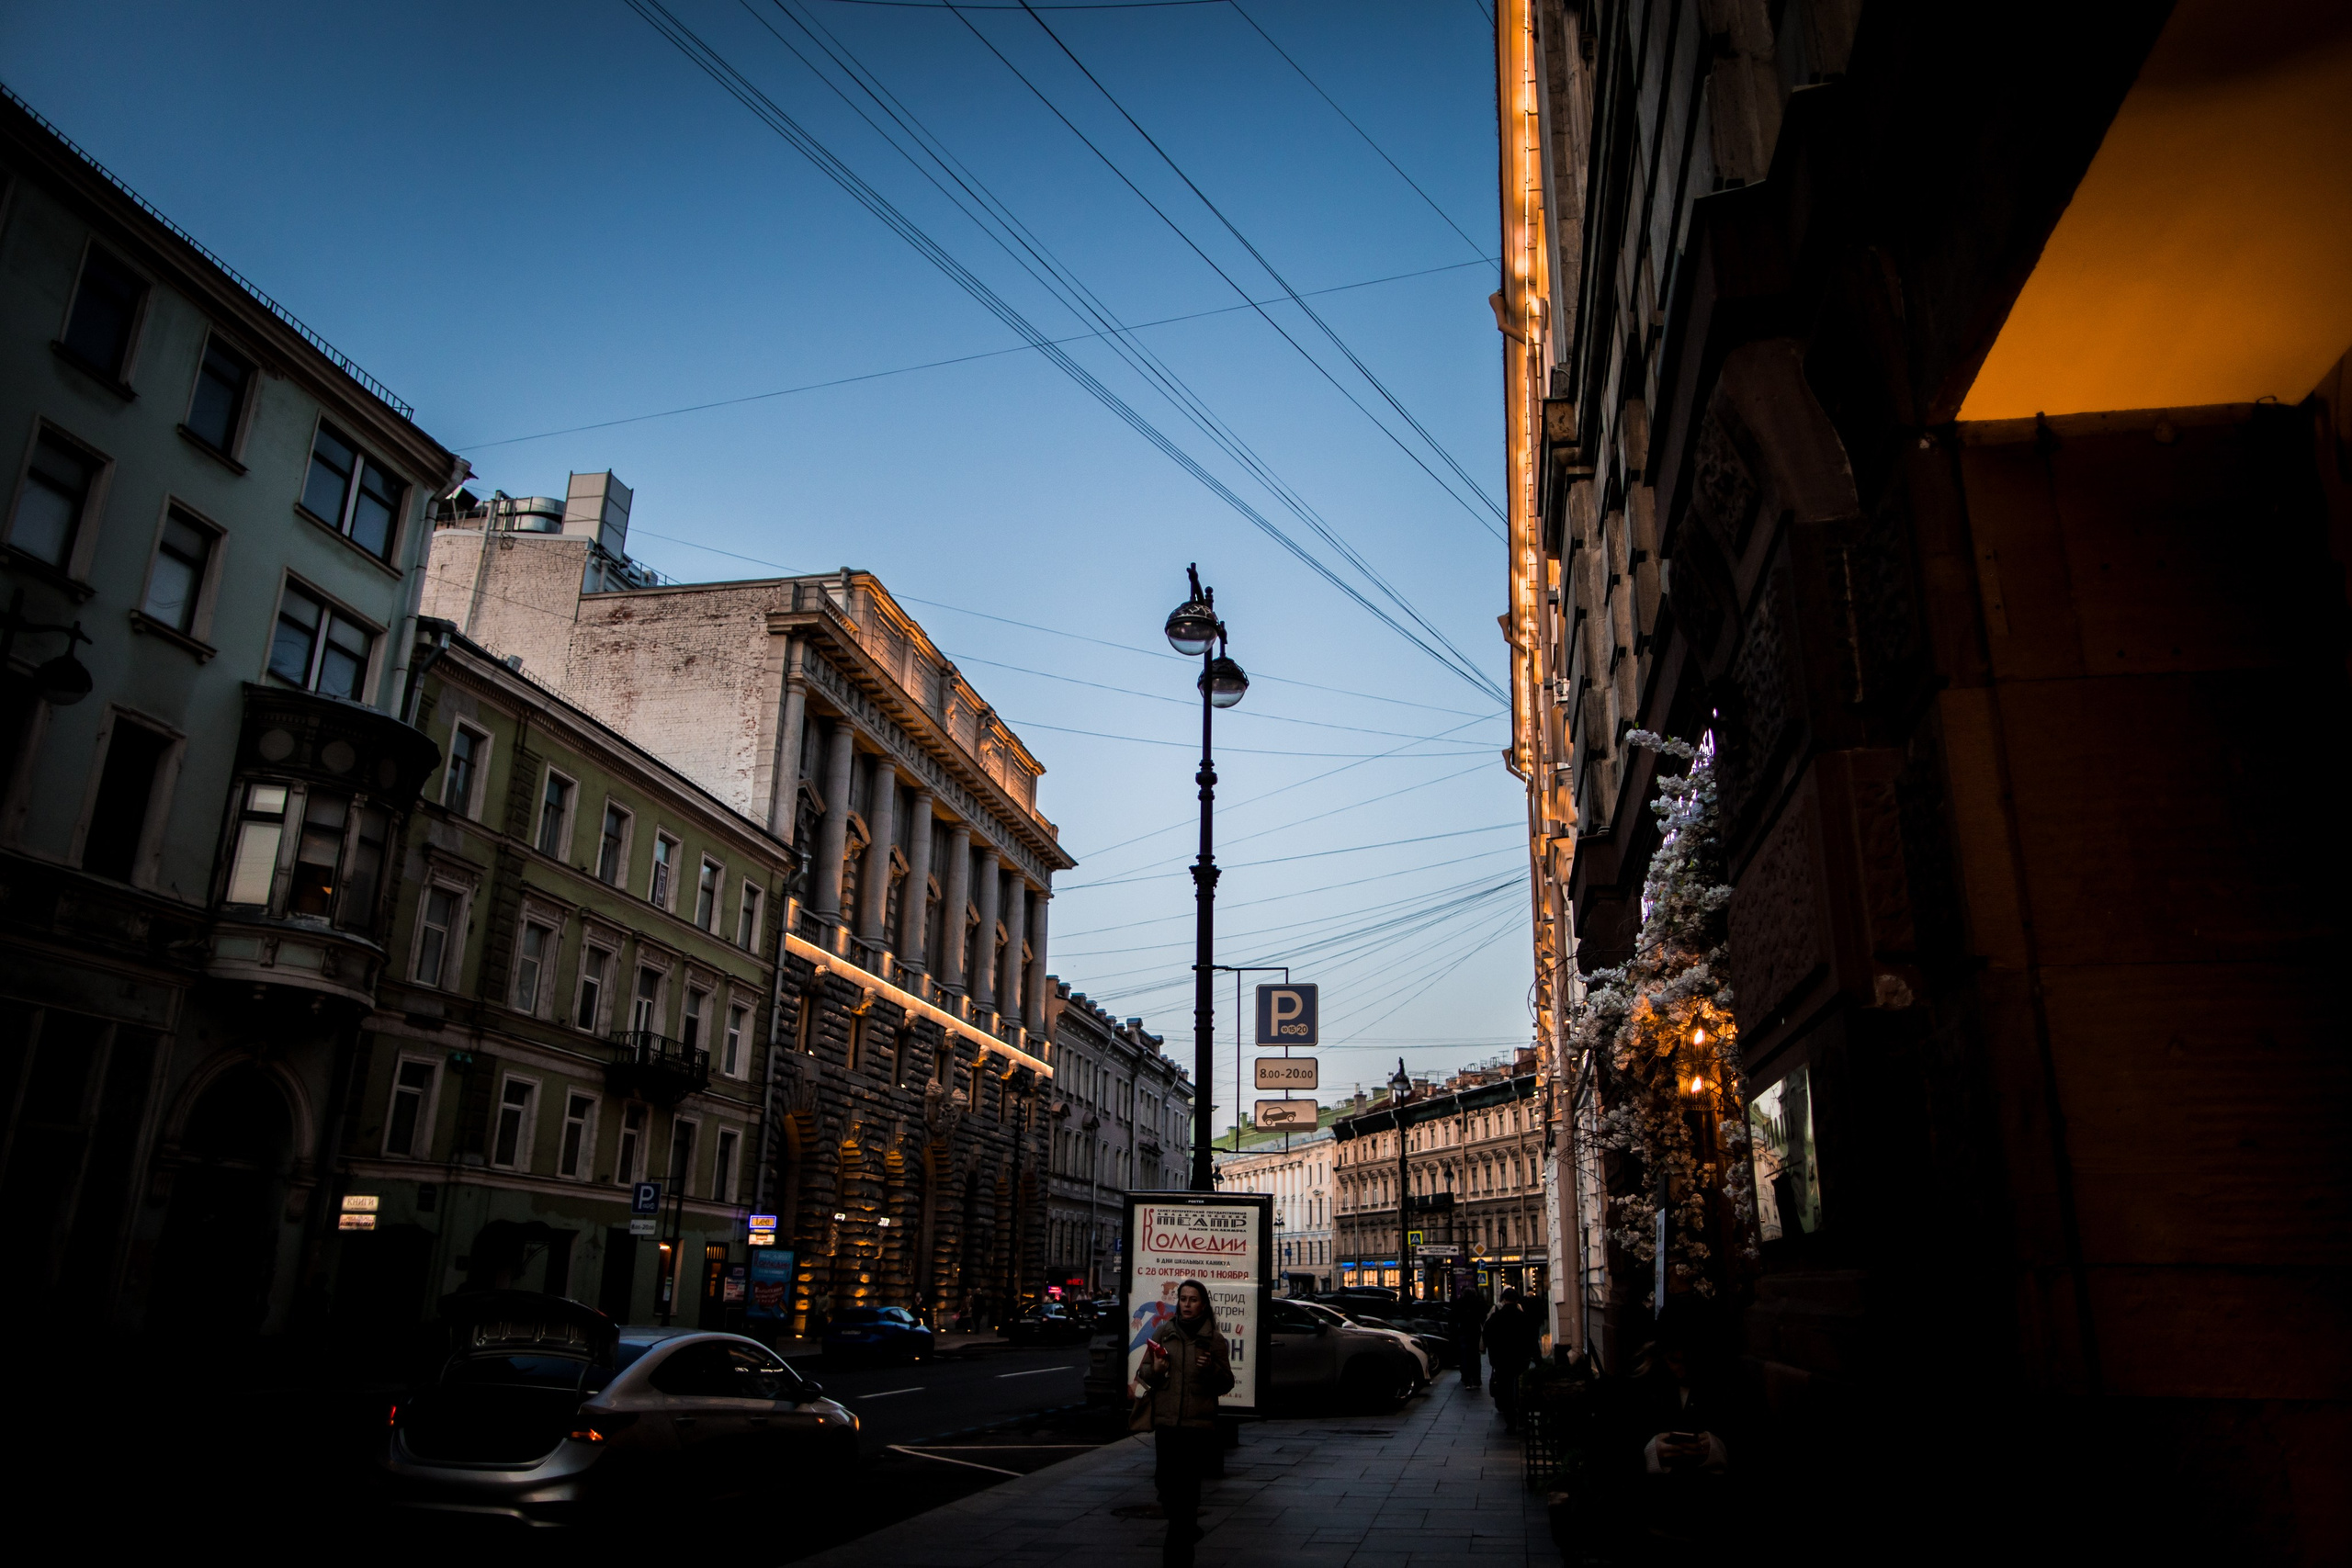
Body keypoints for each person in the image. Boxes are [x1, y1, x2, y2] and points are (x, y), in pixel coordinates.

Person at [1134, 1280, 1234, 1566]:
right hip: (1166, 1423)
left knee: (1187, 1496)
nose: (1187, 1305)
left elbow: (1226, 1382)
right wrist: (1156, 1370)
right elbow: (1144, 1373)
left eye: (1193, 1300)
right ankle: (1188, 1529)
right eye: (1183, 1299)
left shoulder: (1213, 1339)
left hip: (1195, 1427)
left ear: (1203, 1304)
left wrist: (1211, 1369)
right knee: (1165, 1485)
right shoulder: (1165, 1332)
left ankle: (1178, 1555)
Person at [1483, 1287, 1540, 1431]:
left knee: (1505, 1390)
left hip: (1501, 1360)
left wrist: (1492, 1357)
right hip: (1521, 1359)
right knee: (1521, 1387)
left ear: (1503, 1300)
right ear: (1517, 1300)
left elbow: (1487, 1337)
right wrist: (1537, 1358)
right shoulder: (1524, 1318)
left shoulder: (1495, 1318)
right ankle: (1523, 1417)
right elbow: (1532, 1339)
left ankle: (1510, 1422)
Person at [1450, 1280, 1487, 1390]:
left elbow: (1453, 1319)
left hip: (1463, 1332)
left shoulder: (1460, 1303)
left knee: (1465, 1357)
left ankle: (1467, 1380)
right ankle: (1477, 1380)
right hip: (1475, 1332)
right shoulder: (1478, 1303)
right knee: (1476, 1357)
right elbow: (1482, 1318)